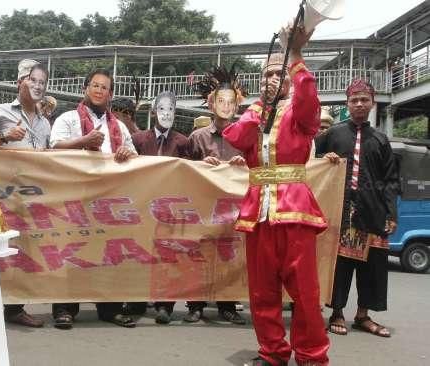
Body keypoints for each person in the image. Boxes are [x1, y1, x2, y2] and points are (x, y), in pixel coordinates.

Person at [222, 24, 330, 366]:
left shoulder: (299, 114)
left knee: (305, 293)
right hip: (259, 214)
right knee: (262, 292)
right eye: (266, 74)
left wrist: (295, 56)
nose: (271, 79)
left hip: (294, 211)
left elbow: (309, 99)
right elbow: (235, 137)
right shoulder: (255, 115)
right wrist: (258, 108)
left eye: (277, 73)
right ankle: (272, 353)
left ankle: (312, 357)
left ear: (288, 78)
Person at [49, 68, 137, 329]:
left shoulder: (119, 126)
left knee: (109, 253)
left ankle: (110, 309)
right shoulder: (67, 119)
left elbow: (133, 155)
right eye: (95, 86)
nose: (99, 91)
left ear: (110, 94)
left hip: (108, 197)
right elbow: (53, 147)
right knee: (72, 251)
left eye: (105, 87)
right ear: (86, 88)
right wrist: (83, 141)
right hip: (74, 194)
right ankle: (64, 309)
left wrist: (124, 152)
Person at [316, 79, 398, 338]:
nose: (360, 104)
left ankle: (363, 316)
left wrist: (391, 214)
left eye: (364, 99)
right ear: (347, 103)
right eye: (354, 100)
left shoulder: (382, 140)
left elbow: (391, 181)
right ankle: (337, 312)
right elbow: (311, 164)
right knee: (340, 266)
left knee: (371, 268)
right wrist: (323, 159)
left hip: (373, 214)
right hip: (341, 212)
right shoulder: (333, 135)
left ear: (372, 103)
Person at [0, 59, 51, 328]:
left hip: (30, 198)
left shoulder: (45, 123)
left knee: (22, 251)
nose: (37, 86)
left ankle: (15, 307)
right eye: (33, 80)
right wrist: (5, 136)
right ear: (20, 83)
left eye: (42, 82)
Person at [187, 65, 247, 326]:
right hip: (203, 207)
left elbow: (256, 168)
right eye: (220, 101)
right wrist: (202, 164)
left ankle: (227, 304)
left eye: (230, 101)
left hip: (234, 210)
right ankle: (195, 304)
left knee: (229, 256)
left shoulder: (246, 138)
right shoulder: (197, 137)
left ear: (237, 105)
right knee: (200, 256)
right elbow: (184, 171)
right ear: (211, 104)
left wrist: (243, 163)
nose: (225, 105)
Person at [130, 91, 188, 323]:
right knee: (140, 254)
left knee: (168, 258)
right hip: (142, 207)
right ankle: (136, 301)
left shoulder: (183, 142)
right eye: (162, 109)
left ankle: (165, 305)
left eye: (171, 109)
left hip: (170, 210)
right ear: (154, 112)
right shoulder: (138, 139)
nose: (166, 114)